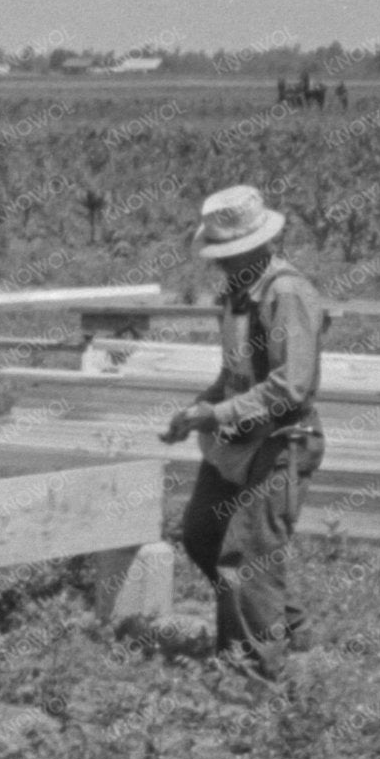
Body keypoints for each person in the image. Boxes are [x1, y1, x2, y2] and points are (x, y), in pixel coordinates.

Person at [161, 186, 327, 678]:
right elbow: (235, 374)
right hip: (238, 438)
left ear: (262, 245)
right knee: (203, 533)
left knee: (246, 557)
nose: (223, 266)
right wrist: (201, 407)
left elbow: (291, 387)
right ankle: (287, 627)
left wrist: (216, 415)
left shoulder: (287, 294)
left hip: (281, 442)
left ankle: (250, 677)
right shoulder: (239, 295)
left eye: (231, 256)